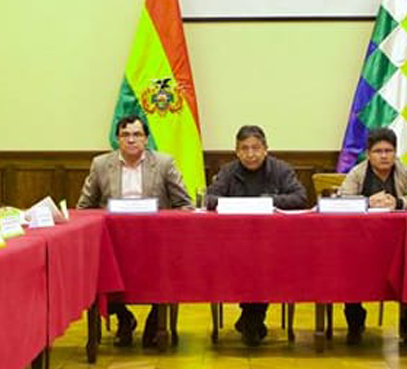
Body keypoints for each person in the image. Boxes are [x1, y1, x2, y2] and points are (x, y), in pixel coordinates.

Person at [77, 115, 193, 347]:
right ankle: (123, 317)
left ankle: (155, 320)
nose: (131, 140)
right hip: (113, 242)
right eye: (125, 135)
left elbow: (185, 204)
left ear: (146, 139)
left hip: (155, 242)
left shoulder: (163, 163)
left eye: (137, 135)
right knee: (99, 269)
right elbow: (84, 207)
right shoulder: (101, 164)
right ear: (117, 139)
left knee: (164, 267)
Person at [204, 124, 308, 345]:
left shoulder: (281, 169)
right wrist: (243, 204)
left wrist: (266, 201)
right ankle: (251, 321)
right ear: (237, 151)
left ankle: (250, 320)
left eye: (256, 148)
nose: (250, 154)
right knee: (248, 264)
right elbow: (210, 199)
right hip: (233, 246)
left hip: (274, 246)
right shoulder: (228, 171)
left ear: (265, 149)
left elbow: (300, 197)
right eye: (244, 149)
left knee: (263, 264)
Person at [338, 127, 407, 345]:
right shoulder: (358, 172)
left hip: (398, 243)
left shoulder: (403, 171)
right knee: (351, 271)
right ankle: (355, 322)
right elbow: (341, 199)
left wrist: (397, 202)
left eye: (389, 151)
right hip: (361, 242)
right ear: (369, 154)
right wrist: (367, 202)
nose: (385, 156)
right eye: (378, 151)